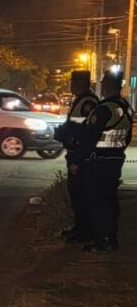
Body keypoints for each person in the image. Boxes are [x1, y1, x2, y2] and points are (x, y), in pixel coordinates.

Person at [77, 70, 133, 252]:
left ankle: (103, 240)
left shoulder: (104, 109)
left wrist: (79, 160)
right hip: (116, 159)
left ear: (105, 85)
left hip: (100, 161)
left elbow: (90, 137)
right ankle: (109, 238)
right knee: (109, 200)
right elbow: (127, 137)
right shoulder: (125, 107)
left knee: (99, 201)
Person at [58, 70, 100, 242]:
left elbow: (84, 134)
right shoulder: (82, 100)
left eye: (74, 82)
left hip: (81, 156)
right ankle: (79, 229)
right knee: (76, 195)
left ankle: (84, 233)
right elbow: (74, 127)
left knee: (81, 195)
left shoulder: (87, 102)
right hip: (76, 154)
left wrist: (77, 160)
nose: (72, 85)